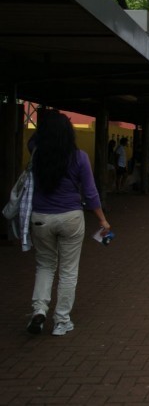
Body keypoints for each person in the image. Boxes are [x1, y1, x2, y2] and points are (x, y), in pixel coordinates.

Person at [27, 110, 112, 336]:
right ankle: (61, 321)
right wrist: (102, 219)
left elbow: (32, 140)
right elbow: (91, 193)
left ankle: (39, 310)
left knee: (45, 265)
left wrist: (44, 129)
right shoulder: (79, 156)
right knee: (68, 271)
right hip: (71, 217)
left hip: (40, 218)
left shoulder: (36, 153)